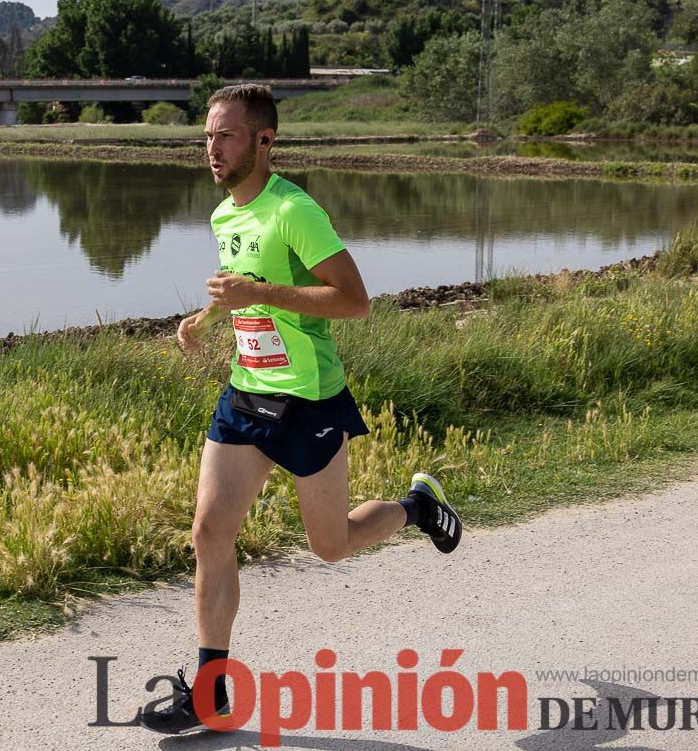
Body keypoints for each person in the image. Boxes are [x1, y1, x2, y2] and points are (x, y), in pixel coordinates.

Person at [138, 83, 463, 736]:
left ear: (264, 141)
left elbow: (353, 301)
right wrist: (203, 319)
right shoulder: (226, 214)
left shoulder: (294, 210)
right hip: (244, 395)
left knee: (331, 545)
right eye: (207, 135)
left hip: (307, 401)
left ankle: (417, 508)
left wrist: (260, 290)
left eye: (226, 135)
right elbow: (243, 295)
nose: (213, 147)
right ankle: (213, 692)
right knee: (210, 533)